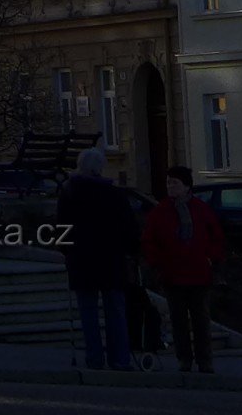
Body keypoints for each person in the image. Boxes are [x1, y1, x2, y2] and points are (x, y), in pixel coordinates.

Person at [54, 145, 139, 371]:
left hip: (81, 260)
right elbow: (129, 228)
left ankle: (94, 358)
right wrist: (131, 251)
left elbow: (61, 228)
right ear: (100, 168)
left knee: (88, 312)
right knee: (115, 311)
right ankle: (120, 359)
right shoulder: (114, 194)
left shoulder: (69, 192)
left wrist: (66, 250)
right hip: (111, 260)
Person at [139, 164, 227, 373]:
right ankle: (184, 359)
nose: (171, 187)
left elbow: (216, 238)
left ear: (187, 186)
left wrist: (211, 258)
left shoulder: (201, 210)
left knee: (201, 321)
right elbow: (149, 240)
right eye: (169, 183)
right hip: (172, 274)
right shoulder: (161, 211)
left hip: (198, 273)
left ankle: (204, 360)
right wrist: (157, 263)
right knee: (178, 321)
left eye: (175, 183)